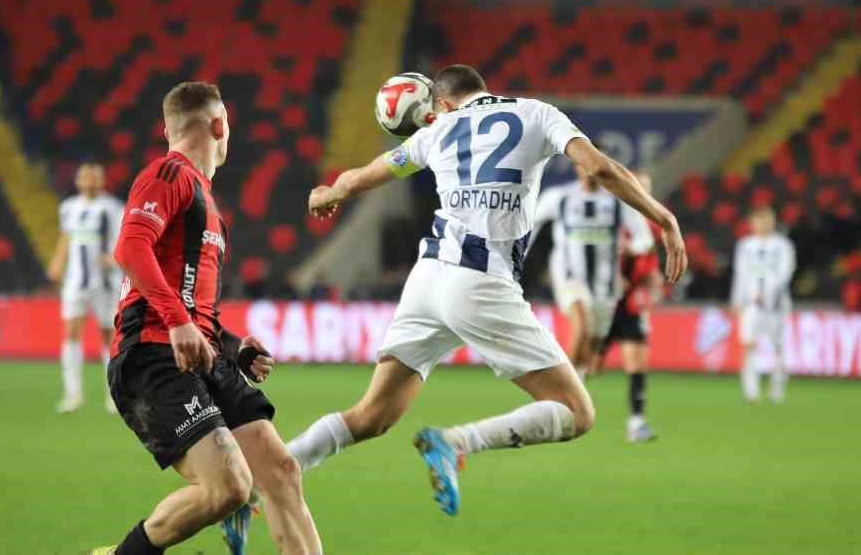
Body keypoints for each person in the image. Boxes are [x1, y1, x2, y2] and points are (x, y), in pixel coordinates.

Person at [276, 65, 686, 518]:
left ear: (444, 103)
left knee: (372, 415)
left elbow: (362, 177)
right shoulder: (536, 113)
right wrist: (663, 218)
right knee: (575, 412)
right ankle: (455, 443)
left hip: (427, 279)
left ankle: (268, 476)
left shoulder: (437, 132)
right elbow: (599, 167)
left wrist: (327, 193)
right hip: (479, 279)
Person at [84, 81, 401, 555]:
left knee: (279, 469)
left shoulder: (206, 203)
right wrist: (180, 324)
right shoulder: (171, 175)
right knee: (230, 487)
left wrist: (230, 346)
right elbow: (130, 249)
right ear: (221, 126)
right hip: (152, 357)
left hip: (198, 351)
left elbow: (194, 303)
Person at [535, 163, 656, 380]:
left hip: (605, 284)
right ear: (577, 168)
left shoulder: (618, 201)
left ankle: (576, 383)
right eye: (585, 164)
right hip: (569, 277)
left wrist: (631, 247)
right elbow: (531, 223)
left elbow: (644, 238)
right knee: (581, 325)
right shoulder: (559, 197)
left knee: (594, 347)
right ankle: (563, 389)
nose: (590, 170)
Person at [47, 162, 125, 414]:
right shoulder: (68, 208)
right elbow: (66, 238)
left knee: (108, 336)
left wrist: (113, 259)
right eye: (85, 177)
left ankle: (113, 396)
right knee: (70, 332)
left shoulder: (113, 208)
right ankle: (73, 394)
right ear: (78, 181)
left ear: (102, 181)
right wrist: (57, 262)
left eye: (95, 177)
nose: (89, 181)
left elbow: (126, 241)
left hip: (105, 282)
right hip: (75, 281)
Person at [597, 177, 664, 442]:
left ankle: (636, 423)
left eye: (647, 188)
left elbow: (650, 264)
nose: (644, 193)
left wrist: (653, 283)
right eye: (640, 187)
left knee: (637, 363)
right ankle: (559, 409)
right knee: (588, 363)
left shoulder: (649, 225)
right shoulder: (611, 217)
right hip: (605, 300)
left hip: (633, 302)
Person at [730, 207, 795, 403]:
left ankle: (777, 391)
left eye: (765, 220)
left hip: (776, 304)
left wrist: (766, 292)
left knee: (779, 347)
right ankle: (751, 392)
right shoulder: (745, 245)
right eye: (757, 221)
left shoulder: (783, 245)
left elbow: (785, 273)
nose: (761, 225)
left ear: (772, 222)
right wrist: (737, 300)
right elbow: (740, 274)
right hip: (750, 304)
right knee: (749, 345)